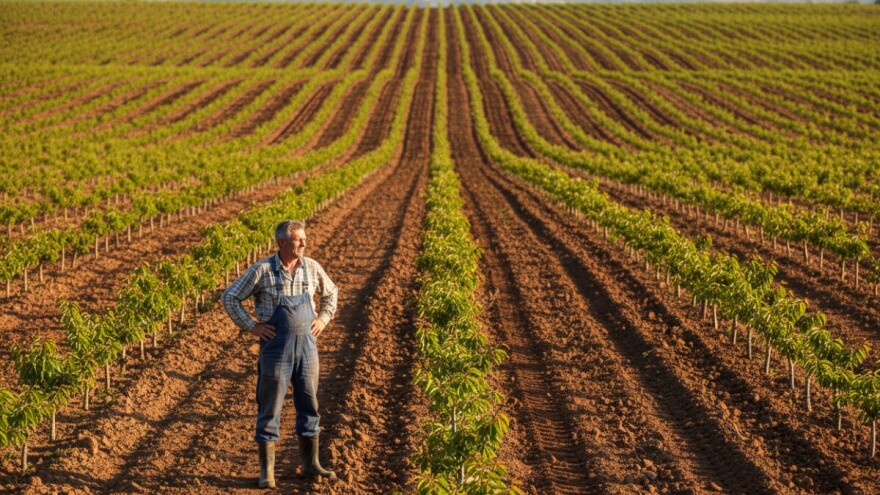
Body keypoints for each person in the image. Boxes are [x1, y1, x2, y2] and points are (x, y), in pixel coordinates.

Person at [222, 219, 339, 488]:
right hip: (275, 350)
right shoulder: (262, 270)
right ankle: (267, 472)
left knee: (309, 403)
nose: (304, 244)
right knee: (270, 405)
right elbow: (230, 297)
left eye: (304, 239)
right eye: (298, 240)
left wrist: (322, 318)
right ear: (282, 243)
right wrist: (252, 326)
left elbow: (331, 292)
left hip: (307, 347)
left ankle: (311, 464)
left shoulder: (311, 267)